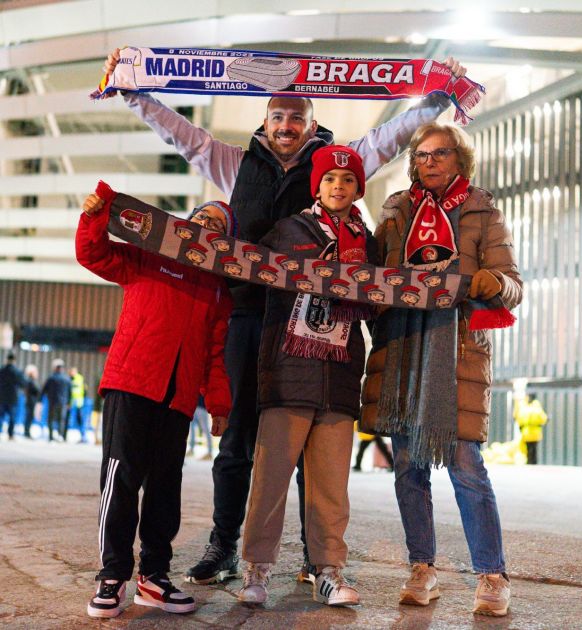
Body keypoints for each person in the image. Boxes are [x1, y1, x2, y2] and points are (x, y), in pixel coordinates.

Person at [102, 49, 468, 587]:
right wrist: (133, 90)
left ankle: (310, 559)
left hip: (311, 326)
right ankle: (225, 545)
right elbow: (178, 132)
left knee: (306, 445)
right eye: (278, 116)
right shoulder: (231, 162)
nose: (287, 125)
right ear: (265, 121)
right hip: (247, 316)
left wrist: (436, 95)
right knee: (238, 442)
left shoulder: (339, 165)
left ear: (312, 122)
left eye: (297, 117)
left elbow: (391, 135)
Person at [361, 121, 523, 617]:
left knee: (466, 466)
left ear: (460, 160)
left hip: (455, 354)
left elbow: (513, 285)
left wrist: (480, 281)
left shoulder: (482, 211)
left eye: (439, 153)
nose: (428, 161)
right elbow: (368, 278)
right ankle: (422, 568)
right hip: (403, 351)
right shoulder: (396, 212)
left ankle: (492, 576)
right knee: (408, 467)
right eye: (421, 154)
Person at [77, 191, 234, 619]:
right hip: (131, 382)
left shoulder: (217, 289)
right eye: (203, 218)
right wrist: (93, 217)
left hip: (178, 398)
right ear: (186, 223)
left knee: (166, 486)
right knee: (121, 478)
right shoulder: (150, 256)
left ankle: (155, 577)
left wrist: (218, 402)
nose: (208, 228)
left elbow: (215, 354)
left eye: (219, 227)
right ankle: (113, 575)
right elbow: (95, 254)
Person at [238, 145, 375, 606]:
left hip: (338, 377)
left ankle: (328, 571)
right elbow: (250, 279)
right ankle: (255, 569)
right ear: (317, 186)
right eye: (331, 180)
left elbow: (377, 304)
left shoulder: (366, 241)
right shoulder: (287, 231)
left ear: (358, 188)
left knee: (331, 486)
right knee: (271, 480)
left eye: (349, 180)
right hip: (287, 374)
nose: (339, 187)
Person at [41, 359, 71, 442]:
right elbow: (70, 392)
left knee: (51, 419)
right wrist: (69, 403)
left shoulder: (51, 378)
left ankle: (50, 437)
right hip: (63, 403)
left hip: (52, 402)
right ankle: (60, 436)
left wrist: (40, 399)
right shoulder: (66, 379)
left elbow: (44, 389)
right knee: (61, 419)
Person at [514, 394, 548, 465]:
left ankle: (529, 461)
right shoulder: (537, 409)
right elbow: (543, 419)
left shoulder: (524, 409)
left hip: (526, 432)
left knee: (528, 448)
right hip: (535, 433)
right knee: (534, 448)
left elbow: (519, 419)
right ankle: (534, 462)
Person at [0, 352, 26, 440]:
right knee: (12, 417)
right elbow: (23, 383)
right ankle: (10, 435)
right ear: (14, 360)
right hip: (13, 397)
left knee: (0, 416)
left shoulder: (2, 370)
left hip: (1, 397)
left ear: (7, 359)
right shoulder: (17, 371)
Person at [188, 395, 213, 460]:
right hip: (195, 407)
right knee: (192, 429)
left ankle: (209, 453)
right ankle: (191, 450)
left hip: (202, 408)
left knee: (205, 430)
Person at [69, 366, 88, 443]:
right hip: (74, 403)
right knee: (77, 421)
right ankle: (82, 436)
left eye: (72, 372)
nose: (71, 374)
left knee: (80, 420)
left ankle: (83, 436)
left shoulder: (78, 378)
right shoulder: (73, 379)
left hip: (78, 403)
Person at [23, 364, 40, 439]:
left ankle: (27, 432)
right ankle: (27, 432)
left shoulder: (30, 381)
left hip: (31, 401)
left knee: (30, 417)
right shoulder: (30, 381)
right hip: (30, 401)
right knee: (29, 417)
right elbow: (36, 390)